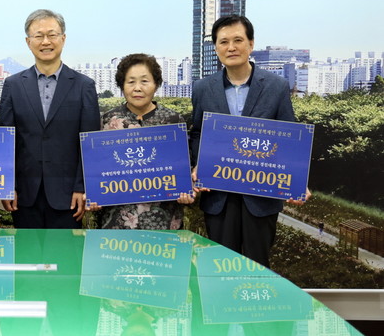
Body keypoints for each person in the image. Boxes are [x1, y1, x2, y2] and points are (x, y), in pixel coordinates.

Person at [190, 14, 308, 267]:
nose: (231, 47)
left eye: (238, 40)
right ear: (216, 48)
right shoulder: (202, 88)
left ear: (251, 44)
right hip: (218, 194)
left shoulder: (276, 86)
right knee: (220, 266)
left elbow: (289, 136)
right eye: (223, 42)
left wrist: (297, 179)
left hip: (261, 197)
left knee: (257, 268)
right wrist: (199, 164)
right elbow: (197, 132)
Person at [0, 9, 100, 228]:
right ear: (28, 42)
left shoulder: (84, 86)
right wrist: (8, 185)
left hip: (69, 196)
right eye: (38, 36)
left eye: (52, 35)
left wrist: (81, 186)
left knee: (66, 250)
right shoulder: (13, 85)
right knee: (26, 250)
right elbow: (6, 141)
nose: (46, 41)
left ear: (63, 38)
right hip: (24, 194)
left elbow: (89, 143)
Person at [92, 54, 194, 230]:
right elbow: (97, 168)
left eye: (145, 81)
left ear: (156, 84)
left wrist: (186, 190)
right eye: (131, 82)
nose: (137, 88)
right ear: (122, 86)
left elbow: (183, 167)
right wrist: (94, 194)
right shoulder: (108, 121)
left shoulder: (173, 121)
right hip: (117, 220)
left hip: (163, 219)